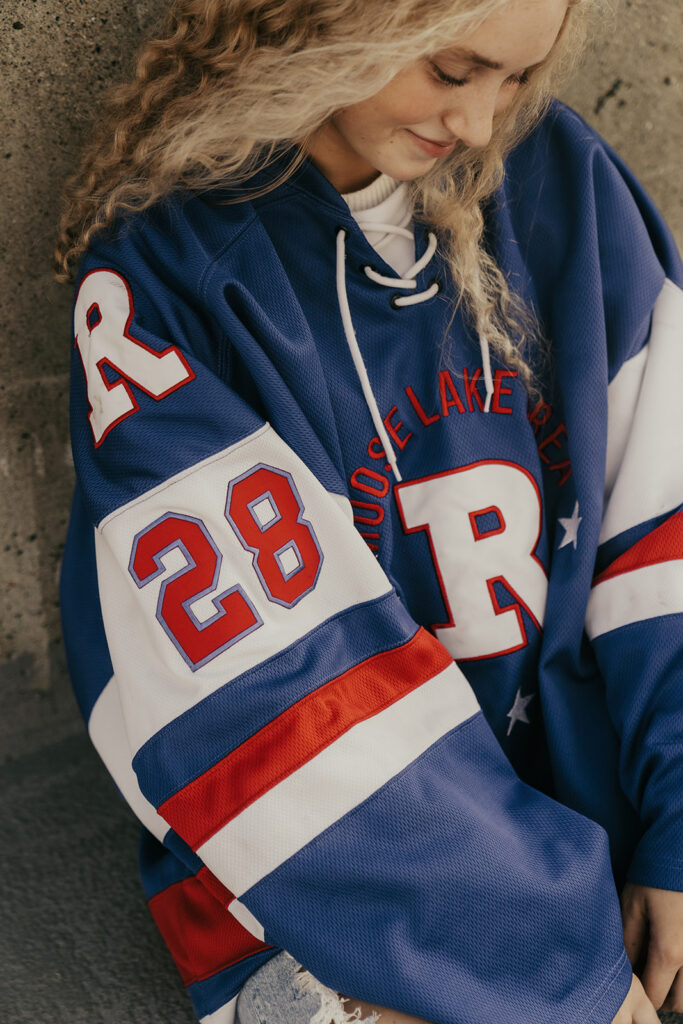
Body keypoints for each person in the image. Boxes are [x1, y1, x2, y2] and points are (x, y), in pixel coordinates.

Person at [55, 0, 683, 1021]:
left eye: (514, 79)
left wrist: (676, 825)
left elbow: (664, 514)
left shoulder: (557, 172)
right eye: (450, 68)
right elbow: (269, 707)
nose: (480, 123)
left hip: (594, 825)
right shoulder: (164, 279)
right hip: (328, 894)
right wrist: (551, 965)